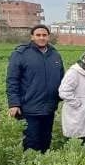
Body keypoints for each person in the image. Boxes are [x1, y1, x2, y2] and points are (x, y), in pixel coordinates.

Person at [6, 24, 64, 152]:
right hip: (29, 108)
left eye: (44, 35)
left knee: (46, 140)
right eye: (38, 35)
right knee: (31, 142)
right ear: (32, 37)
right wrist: (14, 103)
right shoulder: (21, 54)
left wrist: (61, 98)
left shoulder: (55, 55)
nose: (41, 38)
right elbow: (12, 80)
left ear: (48, 37)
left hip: (49, 107)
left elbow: (61, 79)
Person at [58, 49, 85, 141]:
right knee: (76, 141)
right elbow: (64, 92)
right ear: (84, 59)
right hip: (76, 113)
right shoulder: (75, 72)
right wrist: (78, 104)